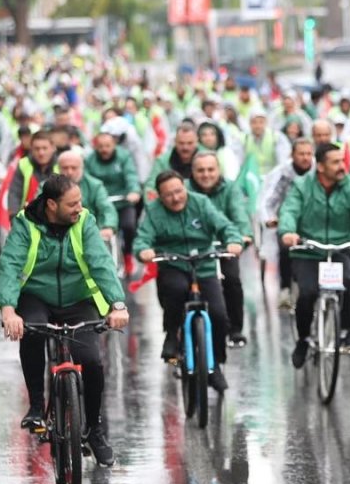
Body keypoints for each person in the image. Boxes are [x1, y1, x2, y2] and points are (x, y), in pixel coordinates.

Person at [0, 175, 128, 467]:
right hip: (36, 296)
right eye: (72, 204)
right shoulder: (25, 224)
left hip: (77, 299)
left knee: (91, 361)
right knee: (31, 331)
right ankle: (36, 406)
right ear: (51, 205)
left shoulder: (85, 221)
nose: (79, 208)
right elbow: (10, 265)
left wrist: (117, 304)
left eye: (80, 201)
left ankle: (94, 429)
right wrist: (8, 310)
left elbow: (101, 262)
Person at [135, 170, 243, 390]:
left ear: (185, 188)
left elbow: (224, 225)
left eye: (179, 191)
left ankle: (216, 364)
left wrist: (233, 240)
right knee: (175, 290)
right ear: (160, 196)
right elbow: (142, 238)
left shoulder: (201, 202)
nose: (175, 198)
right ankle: (172, 334)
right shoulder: (153, 211)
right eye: (168, 195)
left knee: (219, 314)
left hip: (204, 263)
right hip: (173, 263)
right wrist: (144, 250)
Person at [279, 143, 350, 367]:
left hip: (340, 247)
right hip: (308, 250)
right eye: (335, 162)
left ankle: (345, 332)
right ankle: (303, 339)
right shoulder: (302, 185)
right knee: (307, 293)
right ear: (321, 167)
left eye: (342, 161)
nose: (342, 166)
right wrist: (288, 231)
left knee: (348, 283)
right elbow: (289, 210)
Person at [188, 152, 254, 348]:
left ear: (219, 170)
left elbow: (239, 214)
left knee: (232, 279)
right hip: (193, 249)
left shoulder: (231, 189)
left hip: (225, 246)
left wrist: (243, 236)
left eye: (211, 169)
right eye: (201, 170)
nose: (206, 174)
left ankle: (235, 328)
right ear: (193, 172)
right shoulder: (184, 190)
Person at [261, 138, 316, 308]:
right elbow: (268, 199)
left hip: (314, 220)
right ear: (292, 155)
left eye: (308, 154)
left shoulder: (319, 170)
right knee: (285, 249)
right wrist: (269, 218)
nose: (305, 158)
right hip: (287, 220)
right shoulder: (281, 173)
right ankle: (285, 288)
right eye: (301, 154)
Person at [85, 132, 142, 276]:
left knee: (129, 226)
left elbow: (131, 175)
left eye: (108, 146)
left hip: (122, 201)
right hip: (100, 203)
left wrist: (134, 191)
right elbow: (86, 180)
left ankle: (128, 254)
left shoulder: (124, 156)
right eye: (101, 146)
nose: (104, 149)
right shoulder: (90, 160)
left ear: (114, 145)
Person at [57, 151, 119, 244]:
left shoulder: (95, 185)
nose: (69, 172)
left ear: (82, 168)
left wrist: (108, 226)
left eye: (74, 168)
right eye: (65, 168)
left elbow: (107, 208)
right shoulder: (47, 186)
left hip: (89, 233)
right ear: (58, 168)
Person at [6, 131, 59, 216]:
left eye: (45, 148)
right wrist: (14, 217)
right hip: (27, 216)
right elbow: (14, 193)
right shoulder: (23, 164)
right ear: (31, 149)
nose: (41, 153)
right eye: (37, 149)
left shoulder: (61, 165)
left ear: (53, 148)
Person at [242, 110, 288, 175]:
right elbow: (240, 162)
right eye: (254, 122)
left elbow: (282, 162)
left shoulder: (276, 137)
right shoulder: (244, 139)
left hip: (273, 176)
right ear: (249, 124)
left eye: (261, 122)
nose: (258, 126)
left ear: (266, 123)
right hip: (251, 177)